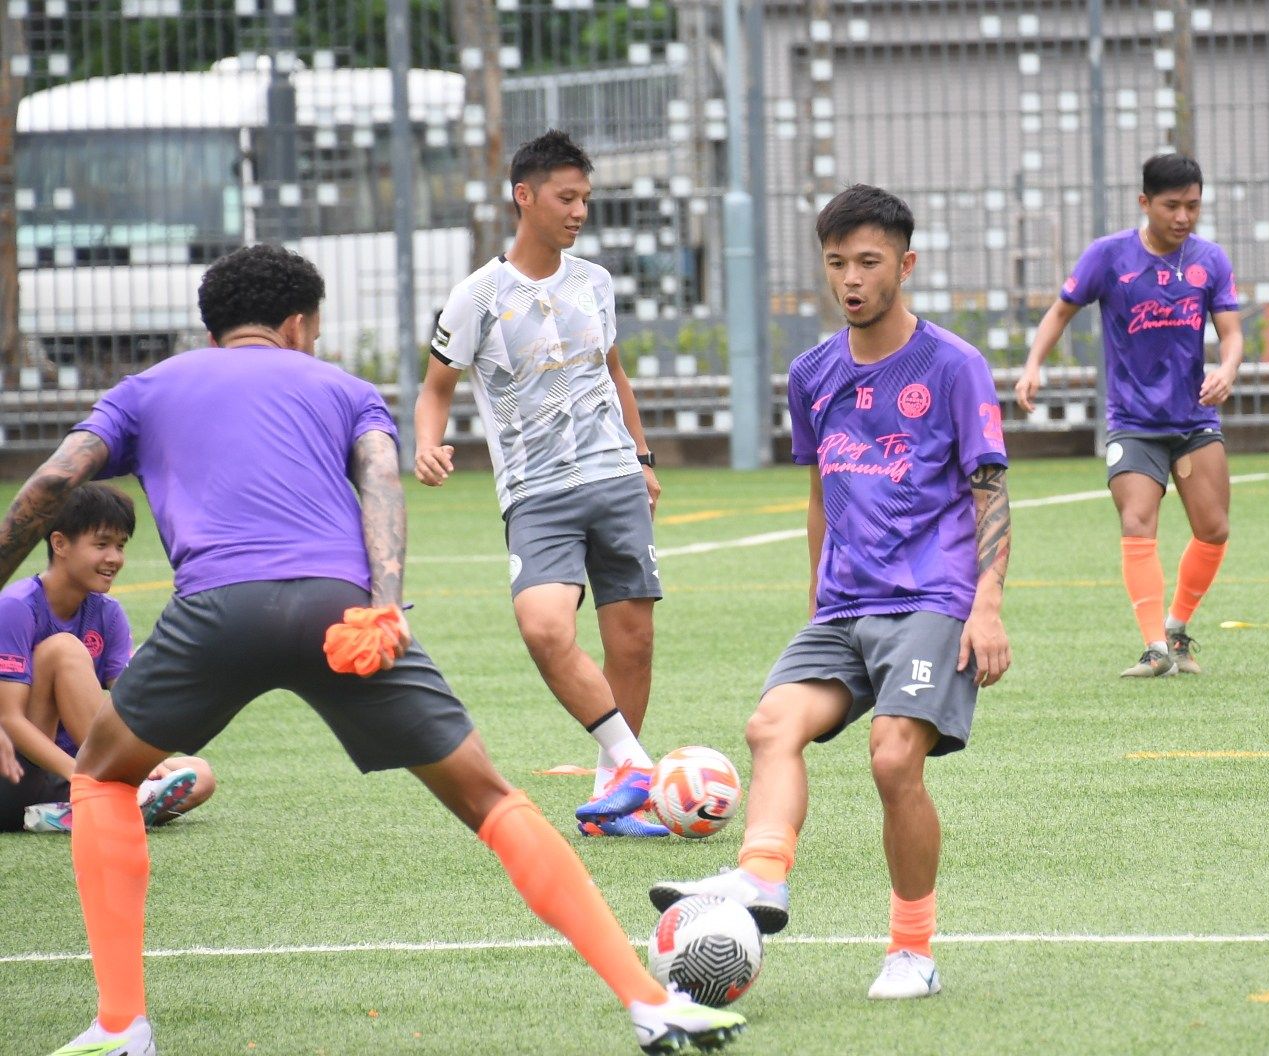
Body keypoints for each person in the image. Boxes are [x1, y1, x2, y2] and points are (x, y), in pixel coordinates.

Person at [0, 244, 744, 1056]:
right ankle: (648, 1002)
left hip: (217, 611)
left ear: (214, 328)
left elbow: (46, 488)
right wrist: (384, 606)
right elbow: (382, 487)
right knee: (493, 800)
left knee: (105, 779)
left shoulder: (146, 389)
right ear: (297, 324)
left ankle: (121, 1026)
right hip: (340, 612)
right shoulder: (346, 390)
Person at [649, 184, 1013, 1001]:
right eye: (837, 263)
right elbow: (820, 493)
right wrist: (817, 596)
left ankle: (911, 951)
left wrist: (986, 605)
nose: (850, 279)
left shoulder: (953, 366)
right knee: (770, 723)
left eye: (868, 262)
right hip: (844, 605)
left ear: (905, 265)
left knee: (892, 759)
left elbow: (989, 490)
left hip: (931, 597)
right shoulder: (811, 372)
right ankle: (763, 878)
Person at [416, 130, 667, 837]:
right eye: (566, 197)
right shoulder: (477, 296)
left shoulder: (595, 282)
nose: (579, 210)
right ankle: (631, 763)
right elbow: (435, 388)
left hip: (614, 477)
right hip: (537, 492)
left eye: (585, 198)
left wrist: (643, 460)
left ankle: (610, 801)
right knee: (544, 627)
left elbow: (613, 373)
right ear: (523, 197)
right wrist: (427, 443)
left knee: (633, 643)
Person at [1015, 153, 1243, 678]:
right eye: (1172, 206)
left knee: (1214, 529)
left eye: (1193, 206)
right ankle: (1155, 649)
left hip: (1195, 419)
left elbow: (1231, 333)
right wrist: (1033, 367)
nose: (1183, 216)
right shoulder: (1109, 257)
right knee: (1138, 520)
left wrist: (1227, 369)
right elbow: (1060, 312)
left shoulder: (1210, 260)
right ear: (1145, 203)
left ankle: (1178, 629)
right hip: (1133, 420)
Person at [1, 484, 214, 833]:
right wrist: (81, 775)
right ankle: (105, 795)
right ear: (60, 544)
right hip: (17, 774)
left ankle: (71, 812)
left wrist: (146, 759)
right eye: (101, 545)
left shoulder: (108, 613)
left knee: (199, 774)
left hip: (71, 772)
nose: (114, 558)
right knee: (63, 649)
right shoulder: (17, 606)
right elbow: (10, 720)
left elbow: (129, 698)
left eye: (120, 545)